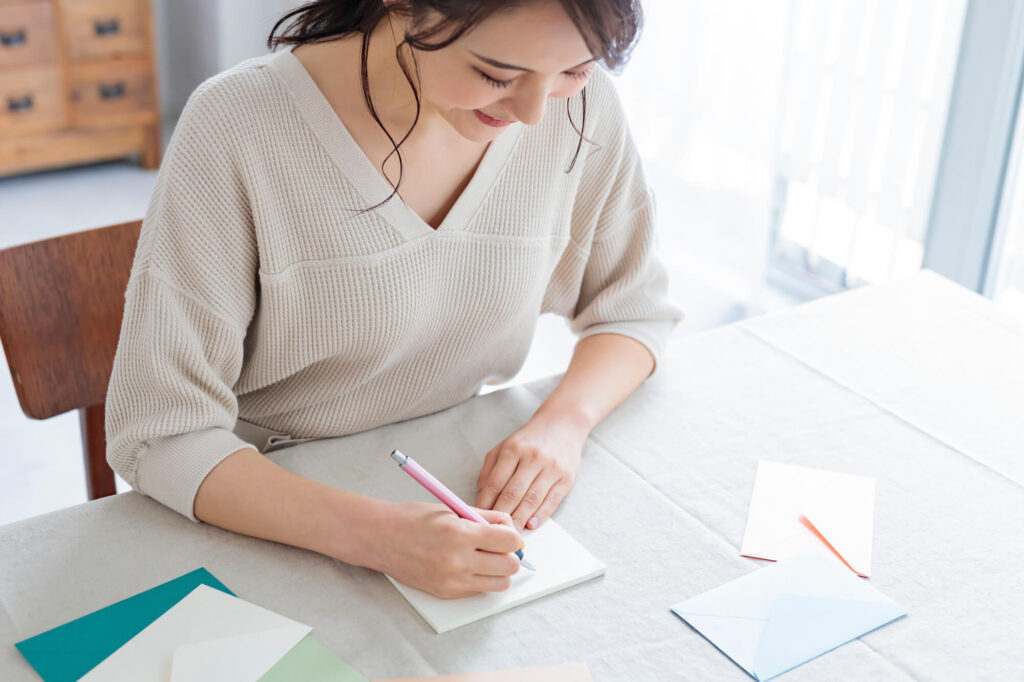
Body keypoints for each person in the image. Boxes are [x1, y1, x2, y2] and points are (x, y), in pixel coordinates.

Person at [106, 0, 681, 600]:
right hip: (263, 513)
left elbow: (635, 310)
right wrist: (377, 536)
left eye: (577, 70)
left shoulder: (580, 111)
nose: (536, 113)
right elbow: (159, 436)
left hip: (451, 483)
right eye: (495, 75)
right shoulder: (239, 126)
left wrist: (563, 426)